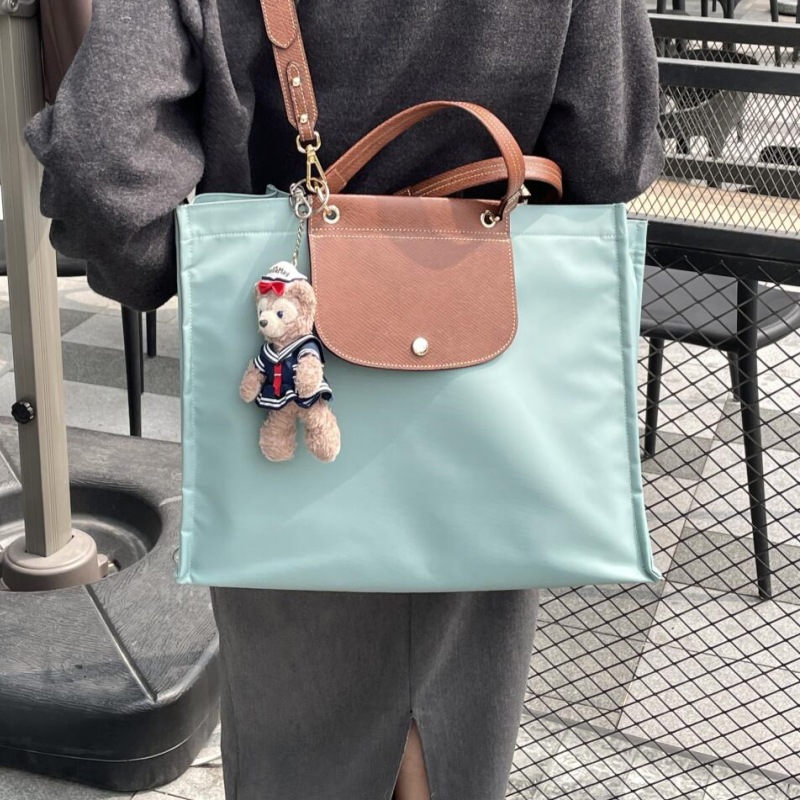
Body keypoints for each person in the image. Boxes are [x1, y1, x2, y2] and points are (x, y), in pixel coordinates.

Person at [25, 1, 663, 798]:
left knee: (294, 738)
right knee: (456, 727)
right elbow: (615, 155)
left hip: (290, 416)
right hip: (484, 407)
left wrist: (191, 261)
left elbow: (99, 163)